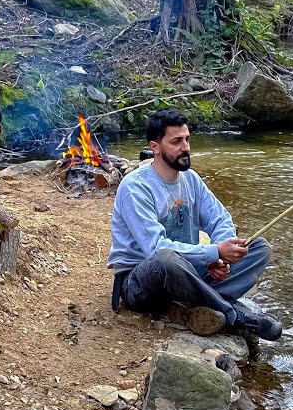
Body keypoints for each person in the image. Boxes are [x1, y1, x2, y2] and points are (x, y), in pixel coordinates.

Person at [108, 109, 283, 340]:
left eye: (187, 139)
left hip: (188, 271)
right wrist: (213, 252)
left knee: (259, 248)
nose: (186, 147)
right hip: (141, 282)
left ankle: (196, 303)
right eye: (176, 142)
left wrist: (220, 259)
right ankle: (235, 317)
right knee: (166, 258)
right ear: (155, 147)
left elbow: (220, 219)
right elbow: (156, 248)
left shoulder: (191, 179)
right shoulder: (135, 187)